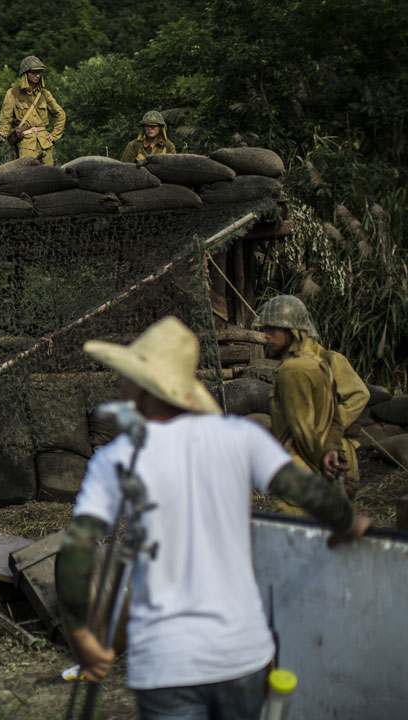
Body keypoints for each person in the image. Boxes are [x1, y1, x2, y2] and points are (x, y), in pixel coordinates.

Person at [55, 317, 371, 720]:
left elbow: (77, 549)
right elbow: (310, 492)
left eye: (128, 376)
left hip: (165, 666)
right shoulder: (239, 437)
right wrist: (347, 523)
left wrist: (81, 635)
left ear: (145, 387)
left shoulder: (115, 458)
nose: (121, 384)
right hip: (242, 656)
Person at [254, 294, 368, 511]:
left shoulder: (323, 362)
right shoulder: (310, 365)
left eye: (272, 329)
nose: (265, 336)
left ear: (293, 332)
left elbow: (358, 395)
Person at [0, 55, 66, 164]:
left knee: (49, 177)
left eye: (40, 72)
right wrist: (2, 134)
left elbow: (60, 114)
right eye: (33, 72)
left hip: (45, 143)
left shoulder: (44, 94)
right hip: (25, 144)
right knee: (27, 177)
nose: (38, 75)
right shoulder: (13, 93)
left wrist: (55, 135)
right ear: (25, 74)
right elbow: (6, 118)